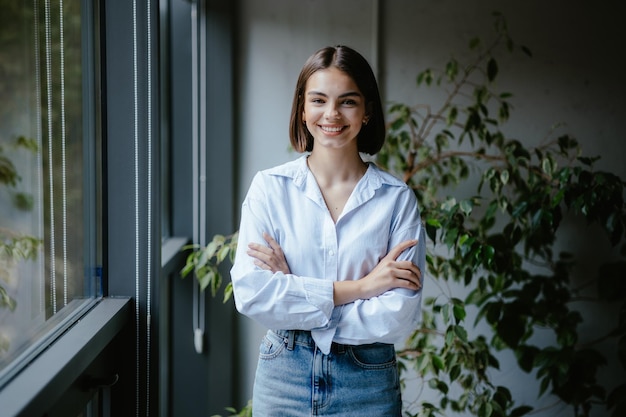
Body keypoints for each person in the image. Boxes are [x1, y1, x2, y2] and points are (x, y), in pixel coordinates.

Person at [230, 45, 425, 417]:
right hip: (284, 375)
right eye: (319, 100)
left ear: (367, 111)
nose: (332, 114)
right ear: (302, 109)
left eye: (347, 101)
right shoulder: (270, 189)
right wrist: (363, 288)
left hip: (367, 381)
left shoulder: (396, 200)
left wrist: (296, 293)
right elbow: (253, 294)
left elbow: (397, 316)